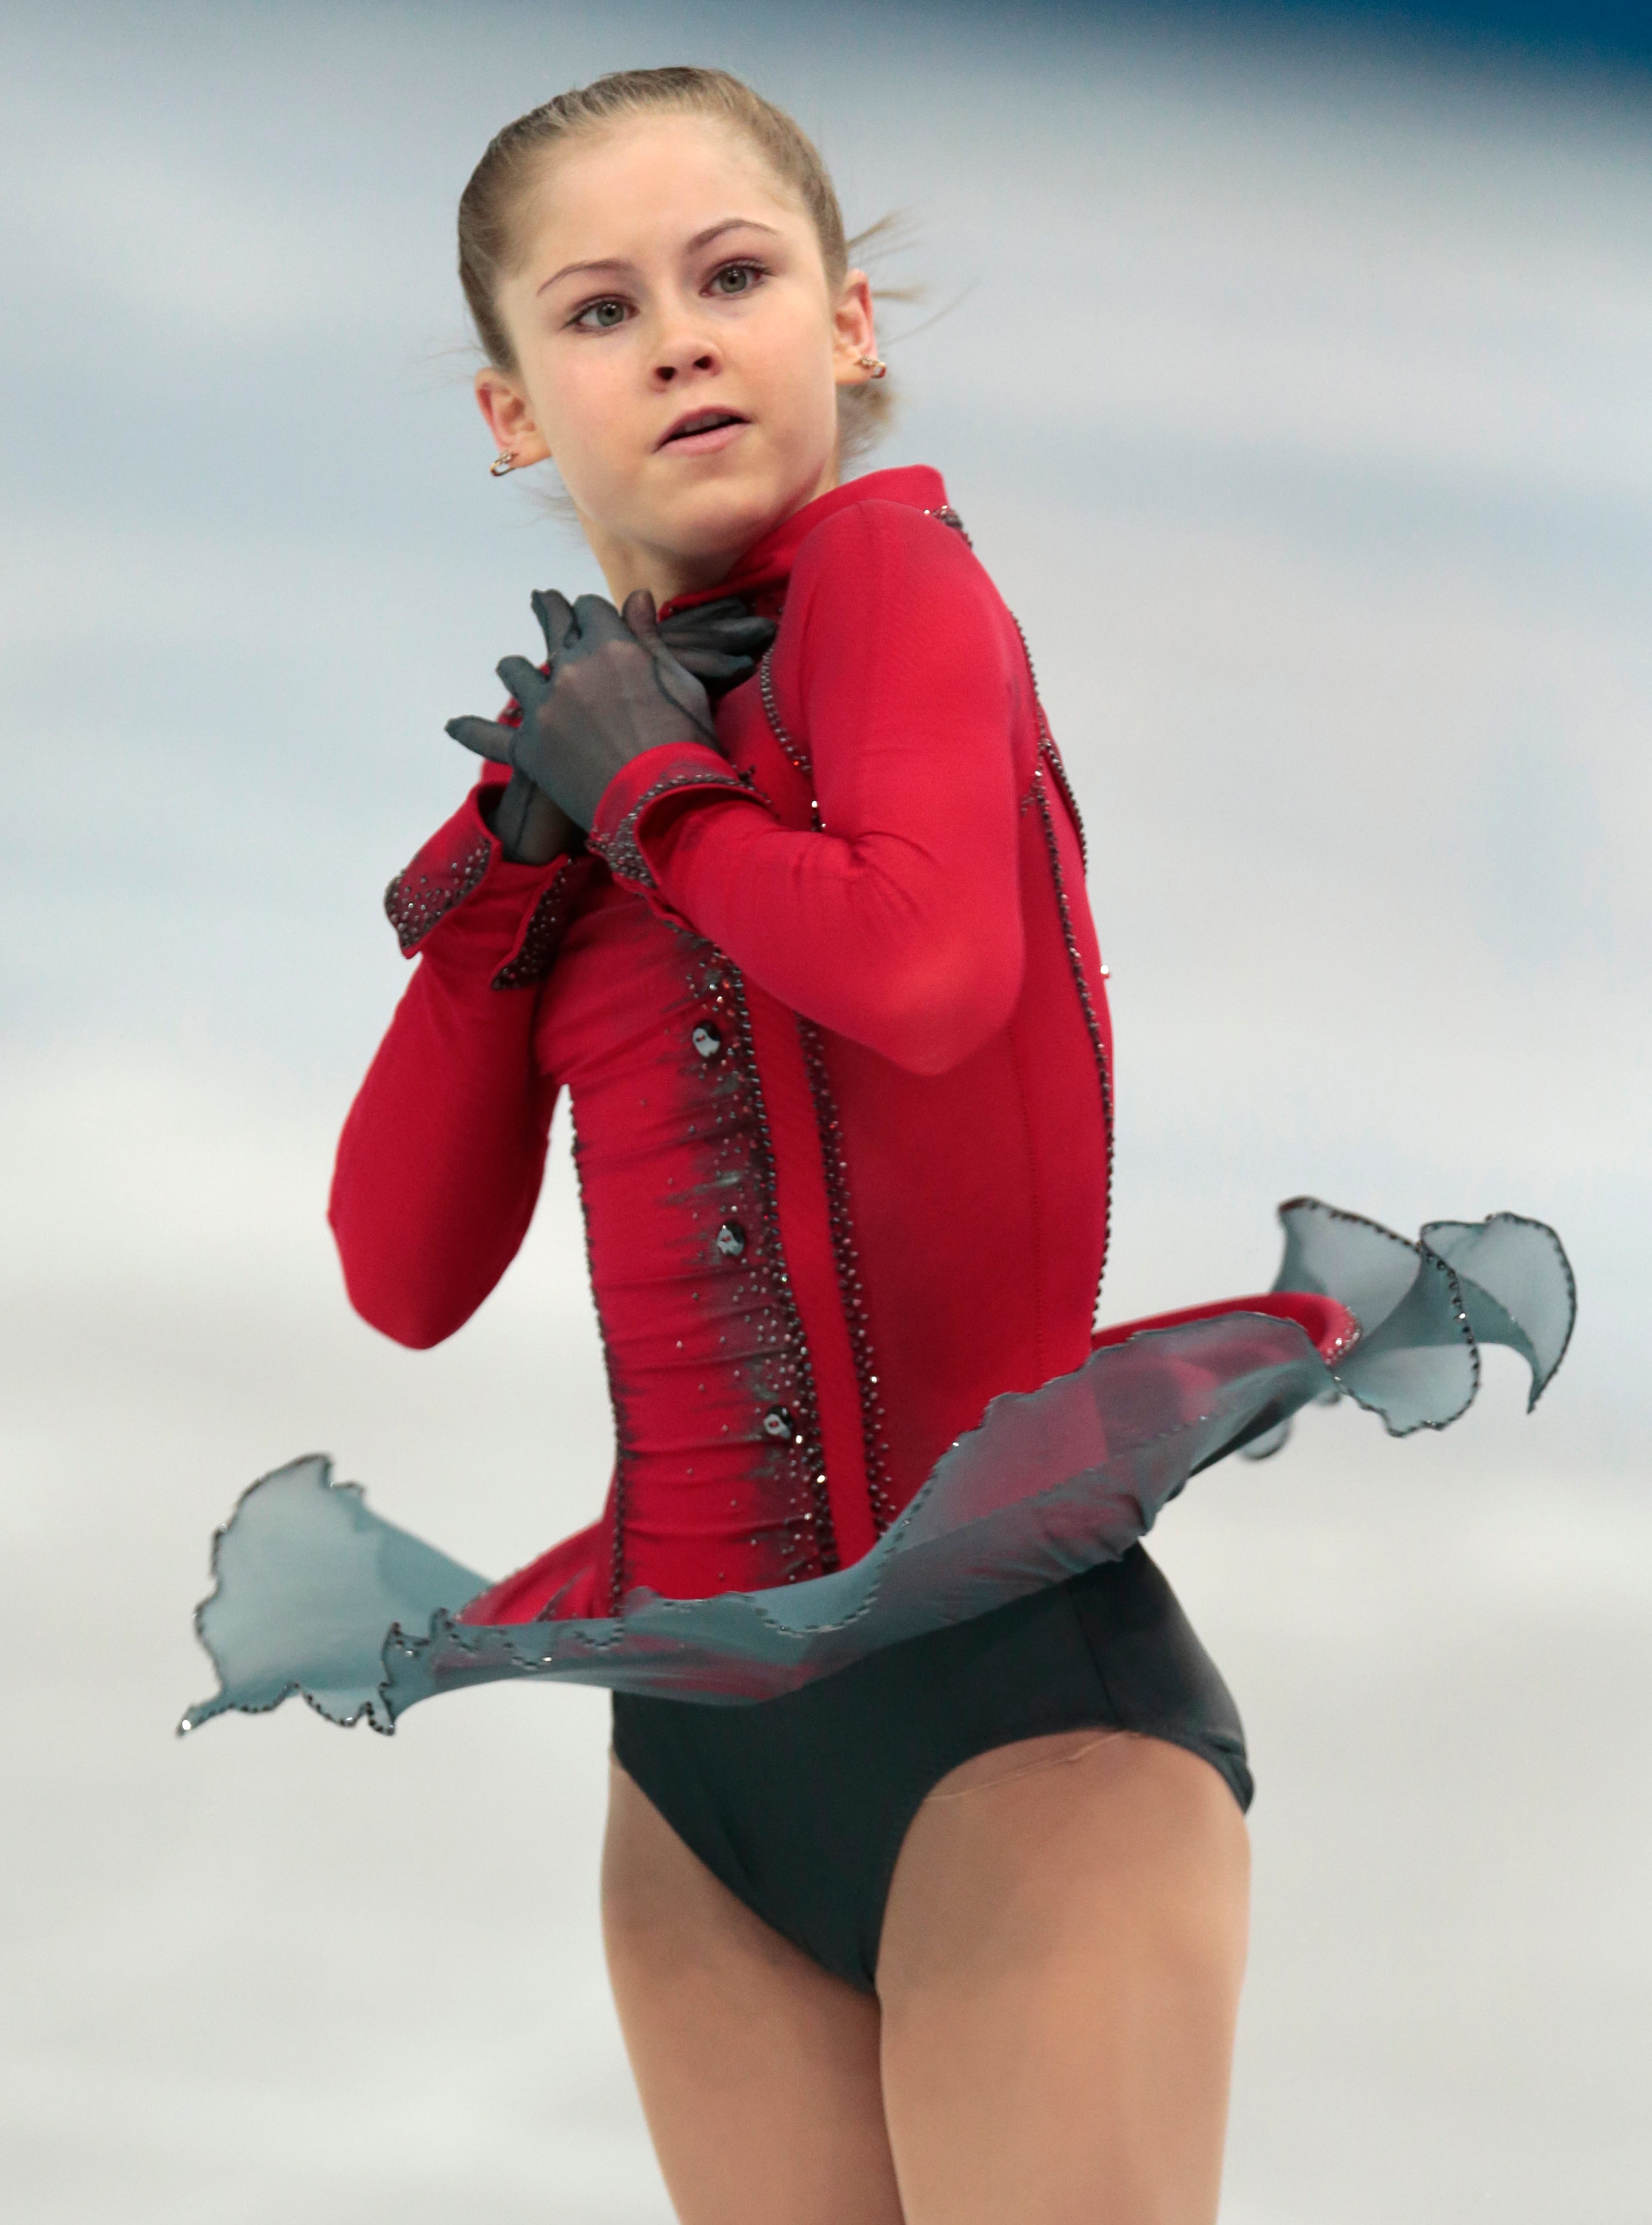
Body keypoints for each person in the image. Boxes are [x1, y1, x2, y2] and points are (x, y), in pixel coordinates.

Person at [186, 66, 1574, 2225]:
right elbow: (404, 1269)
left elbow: (924, 973)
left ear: (846, 324)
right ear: (512, 416)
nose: (681, 336)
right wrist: (517, 884)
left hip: (1023, 1734)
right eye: (602, 310)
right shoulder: (591, 768)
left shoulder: (896, 595)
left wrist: (658, 804)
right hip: (704, 1780)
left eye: (734, 276)